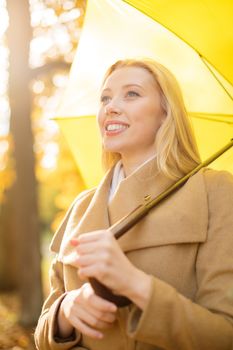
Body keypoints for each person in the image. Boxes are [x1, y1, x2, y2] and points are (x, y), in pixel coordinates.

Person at [34, 58, 233, 350]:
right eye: (105, 97)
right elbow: (41, 335)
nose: (111, 107)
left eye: (132, 94)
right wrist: (66, 310)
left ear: (166, 112)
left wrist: (137, 285)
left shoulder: (214, 191)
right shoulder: (81, 207)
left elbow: (224, 336)